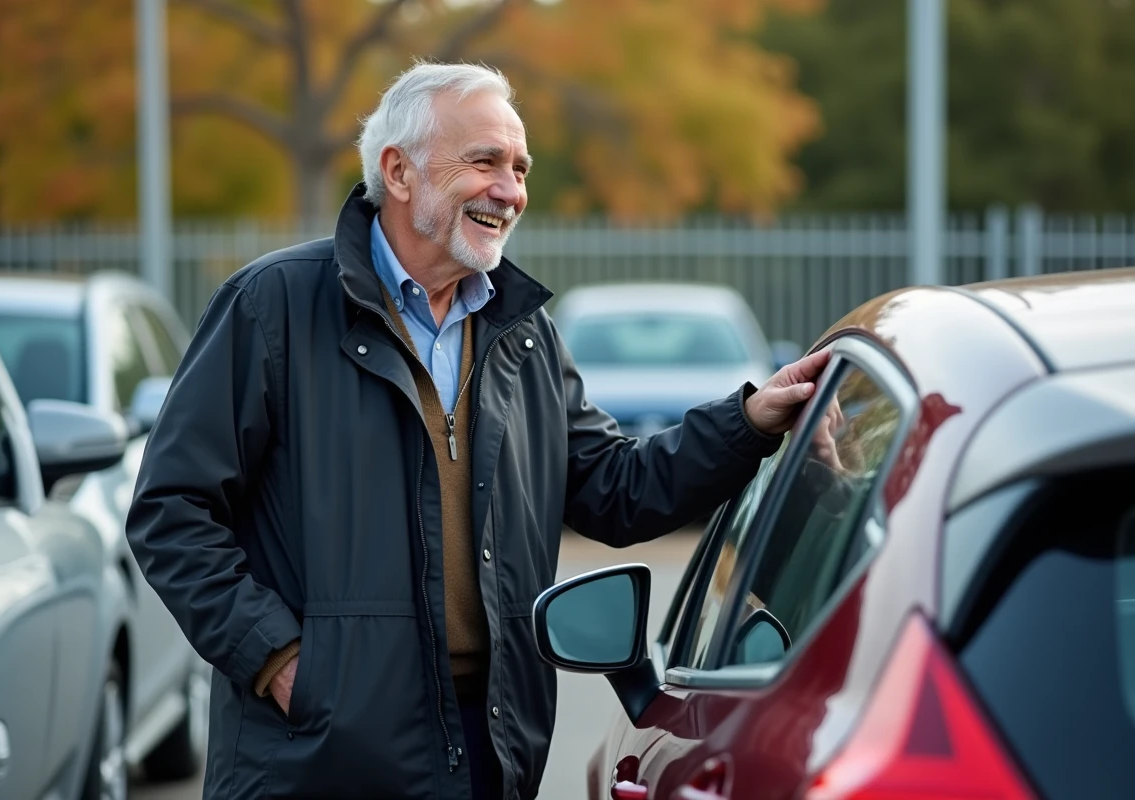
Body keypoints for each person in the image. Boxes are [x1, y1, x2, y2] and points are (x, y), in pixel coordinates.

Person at [125, 60, 830, 800]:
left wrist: (748, 421)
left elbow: (616, 490)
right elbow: (171, 511)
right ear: (398, 172)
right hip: (316, 756)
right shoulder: (273, 306)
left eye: (520, 169)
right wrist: (277, 659)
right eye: (485, 162)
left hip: (488, 746)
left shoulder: (522, 334)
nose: (510, 190)